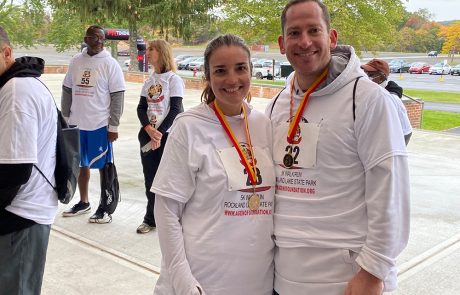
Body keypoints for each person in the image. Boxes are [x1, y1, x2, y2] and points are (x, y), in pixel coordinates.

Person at [267, 1, 410, 294]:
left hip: (346, 280)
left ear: (331, 38)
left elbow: (391, 191)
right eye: (294, 33)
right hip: (283, 278)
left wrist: (373, 271)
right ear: (282, 44)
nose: (304, 41)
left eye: (313, 30)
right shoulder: (276, 105)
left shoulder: (368, 100)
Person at [151, 34, 275, 294]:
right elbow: (166, 210)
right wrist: (184, 282)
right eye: (221, 71)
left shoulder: (263, 124)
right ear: (207, 76)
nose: (232, 80)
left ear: (251, 71)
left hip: (257, 283)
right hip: (202, 282)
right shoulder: (189, 126)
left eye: (240, 68)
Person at [0, 26, 58, 294]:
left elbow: (15, 171)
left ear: (7, 52)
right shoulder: (17, 85)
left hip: (20, 217)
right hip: (23, 214)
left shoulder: (16, 92)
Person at [61, 25, 125, 223]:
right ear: (86, 39)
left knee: (104, 166)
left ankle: (105, 208)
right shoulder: (76, 61)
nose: (99, 42)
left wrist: (113, 126)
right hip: (77, 123)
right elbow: (67, 89)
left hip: (100, 124)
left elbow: (117, 96)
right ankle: (84, 201)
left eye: (102, 38)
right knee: (81, 164)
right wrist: (65, 118)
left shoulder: (110, 64)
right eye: (95, 38)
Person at [136, 39, 184, 234]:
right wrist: (149, 130)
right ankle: (150, 219)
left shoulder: (174, 80)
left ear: (162, 52)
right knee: (151, 180)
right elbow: (141, 108)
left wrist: (160, 134)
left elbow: (175, 110)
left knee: (168, 180)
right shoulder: (149, 81)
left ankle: (171, 219)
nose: (148, 52)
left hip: (167, 137)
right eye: (147, 49)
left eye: (151, 49)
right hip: (149, 136)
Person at [361, 59, 412, 145]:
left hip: (397, 138)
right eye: (365, 73)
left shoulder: (389, 98)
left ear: (381, 77)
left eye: (370, 74)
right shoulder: (374, 92)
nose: (366, 77)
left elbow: (403, 131)